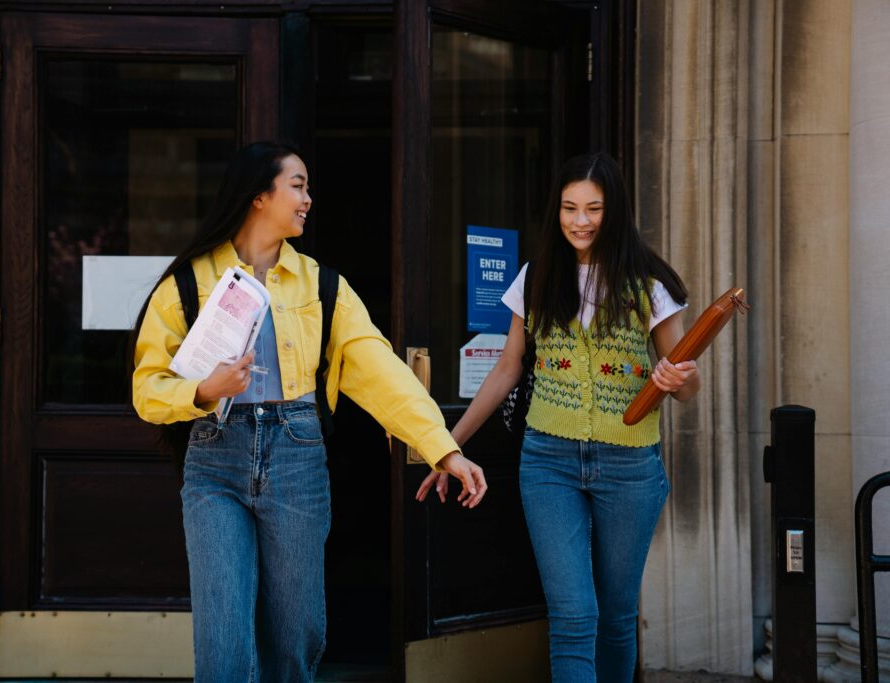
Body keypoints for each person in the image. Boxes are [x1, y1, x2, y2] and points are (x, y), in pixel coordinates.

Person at [131, 141, 487, 683]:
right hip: (214, 461)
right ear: (258, 197)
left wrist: (442, 447)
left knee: (296, 635)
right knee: (223, 636)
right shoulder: (188, 283)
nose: (308, 199)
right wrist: (205, 389)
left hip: (296, 459)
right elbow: (147, 389)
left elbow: (380, 369)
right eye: (297, 185)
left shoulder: (323, 285)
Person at [416, 152, 700, 682]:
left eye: (594, 208)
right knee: (574, 615)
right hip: (548, 461)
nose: (581, 221)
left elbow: (687, 383)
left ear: (614, 211)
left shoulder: (648, 284)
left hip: (630, 464)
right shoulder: (538, 277)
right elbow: (506, 370)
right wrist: (445, 445)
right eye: (570, 208)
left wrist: (678, 380)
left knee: (615, 614)